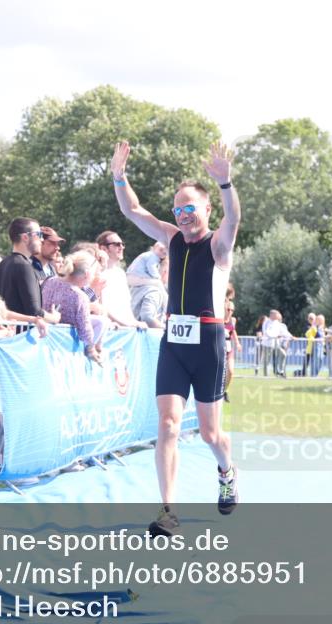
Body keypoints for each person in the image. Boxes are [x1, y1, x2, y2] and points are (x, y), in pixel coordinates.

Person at [111, 139, 241, 536]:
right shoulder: (169, 238)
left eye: (190, 208)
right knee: (167, 425)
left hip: (208, 345)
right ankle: (168, 510)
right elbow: (132, 210)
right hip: (174, 343)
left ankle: (226, 470)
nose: (183, 215)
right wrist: (119, 176)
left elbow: (233, 221)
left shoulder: (217, 246)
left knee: (209, 434)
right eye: (178, 209)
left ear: (205, 210)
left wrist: (225, 184)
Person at [0, 219, 61, 331]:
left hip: (6, 334)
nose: (42, 240)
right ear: (25, 237)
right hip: (21, 338)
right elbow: (34, 311)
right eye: (38, 235)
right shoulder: (24, 266)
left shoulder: (2, 264)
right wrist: (54, 318)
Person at [41, 251, 106, 364]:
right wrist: (91, 348)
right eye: (93, 273)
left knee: (100, 321)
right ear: (87, 274)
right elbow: (84, 328)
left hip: (43, 335)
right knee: (101, 322)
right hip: (64, 346)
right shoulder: (79, 296)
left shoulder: (50, 281)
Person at [95, 230, 148, 329]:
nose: (122, 247)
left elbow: (126, 306)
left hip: (126, 330)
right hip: (109, 331)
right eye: (116, 244)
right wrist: (127, 324)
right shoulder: (97, 274)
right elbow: (102, 308)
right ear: (103, 248)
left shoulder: (121, 273)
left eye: (122, 244)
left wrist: (134, 322)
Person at [223, 299, 242, 401]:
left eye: (232, 310)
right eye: (228, 309)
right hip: (218, 348)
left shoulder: (233, 320)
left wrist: (238, 343)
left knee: (230, 371)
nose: (230, 312)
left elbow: (233, 332)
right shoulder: (218, 318)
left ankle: (224, 391)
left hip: (229, 348)